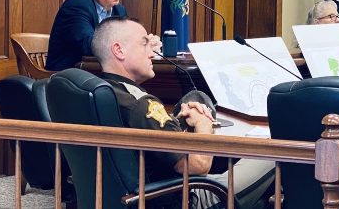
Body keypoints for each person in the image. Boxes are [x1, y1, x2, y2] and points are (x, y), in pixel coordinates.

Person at [91, 16, 275, 209]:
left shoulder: (105, 90)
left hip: (136, 193)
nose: (152, 51)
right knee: (276, 149)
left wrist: (175, 121)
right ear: (119, 50)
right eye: (144, 43)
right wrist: (204, 123)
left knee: (195, 97)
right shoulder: (141, 106)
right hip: (182, 197)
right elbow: (198, 166)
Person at [45, 0, 161, 71]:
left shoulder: (119, 11)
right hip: (67, 78)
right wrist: (136, 45)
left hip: (98, 73)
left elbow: (126, 40)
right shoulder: (77, 7)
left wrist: (145, 43)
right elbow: (90, 46)